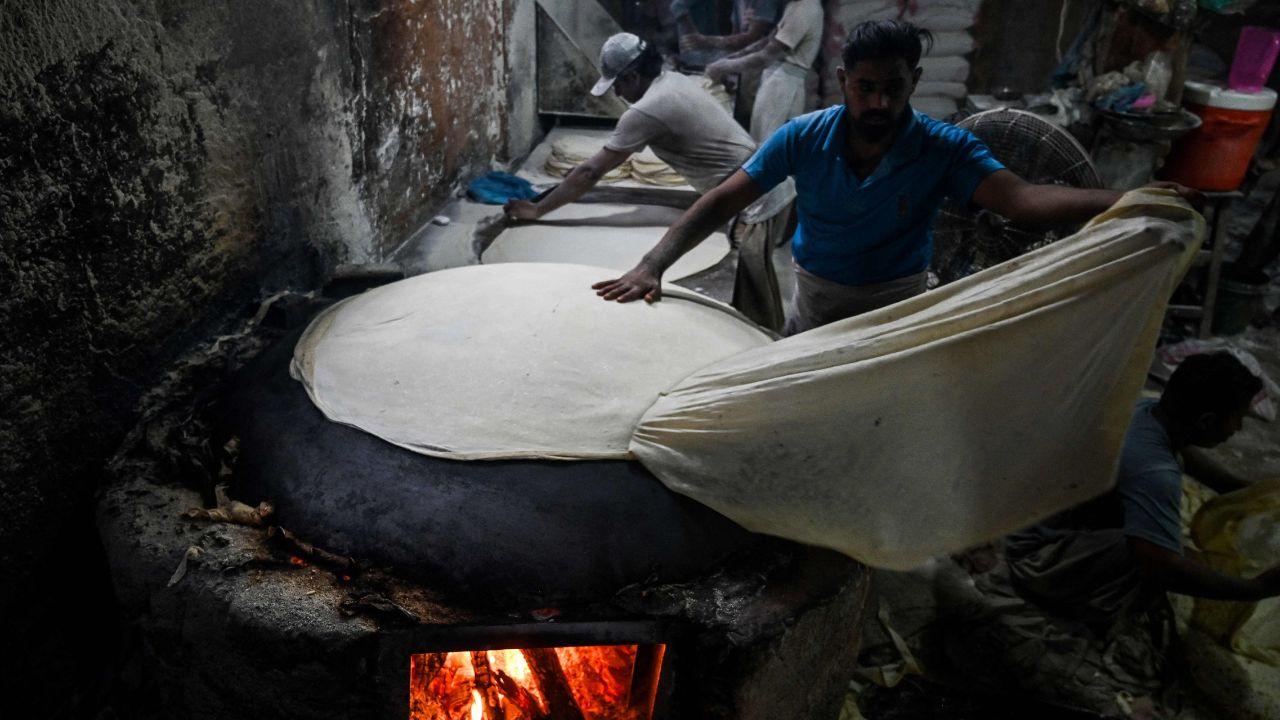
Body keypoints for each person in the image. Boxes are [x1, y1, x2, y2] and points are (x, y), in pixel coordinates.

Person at [592, 20, 1202, 335]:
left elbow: (1020, 199)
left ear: (912, 80)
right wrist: (653, 265)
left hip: (896, 301)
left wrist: (1127, 199)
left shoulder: (943, 148)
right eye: (865, 88)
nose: (878, 102)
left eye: (893, 87)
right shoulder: (805, 136)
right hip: (816, 292)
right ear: (841, 80)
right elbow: (727, 197)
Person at [503, 33, 794, 329]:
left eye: (617, 83)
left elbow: (591, 171)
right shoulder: (674, 81)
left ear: (632, 75)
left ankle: (771, 357)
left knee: (753, 311)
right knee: (758, 293)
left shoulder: (647, 109)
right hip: (767, 186)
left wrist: (537, 210)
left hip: (757, 202)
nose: (616, 93)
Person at [1005, 352, 1280, 626]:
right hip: (1035, 556)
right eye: (1237, 419)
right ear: (1206, 421)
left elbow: (1180, 448)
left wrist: (1235, 488)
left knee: (1152, 524)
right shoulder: (1156, 473)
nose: (1239, 428)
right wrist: (1255, 589)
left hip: (1028, 523)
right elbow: (1163, 566)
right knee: (1146, 553)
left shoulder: (1145, 410)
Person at [704, 0, 825, 141]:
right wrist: (731, 58)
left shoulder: (806, 8)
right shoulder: (794, 5)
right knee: (760, 137)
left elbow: (767, 56)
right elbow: (768, 40)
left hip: (784, 86)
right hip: (775, 80)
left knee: (766, 142)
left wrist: (724, 66)